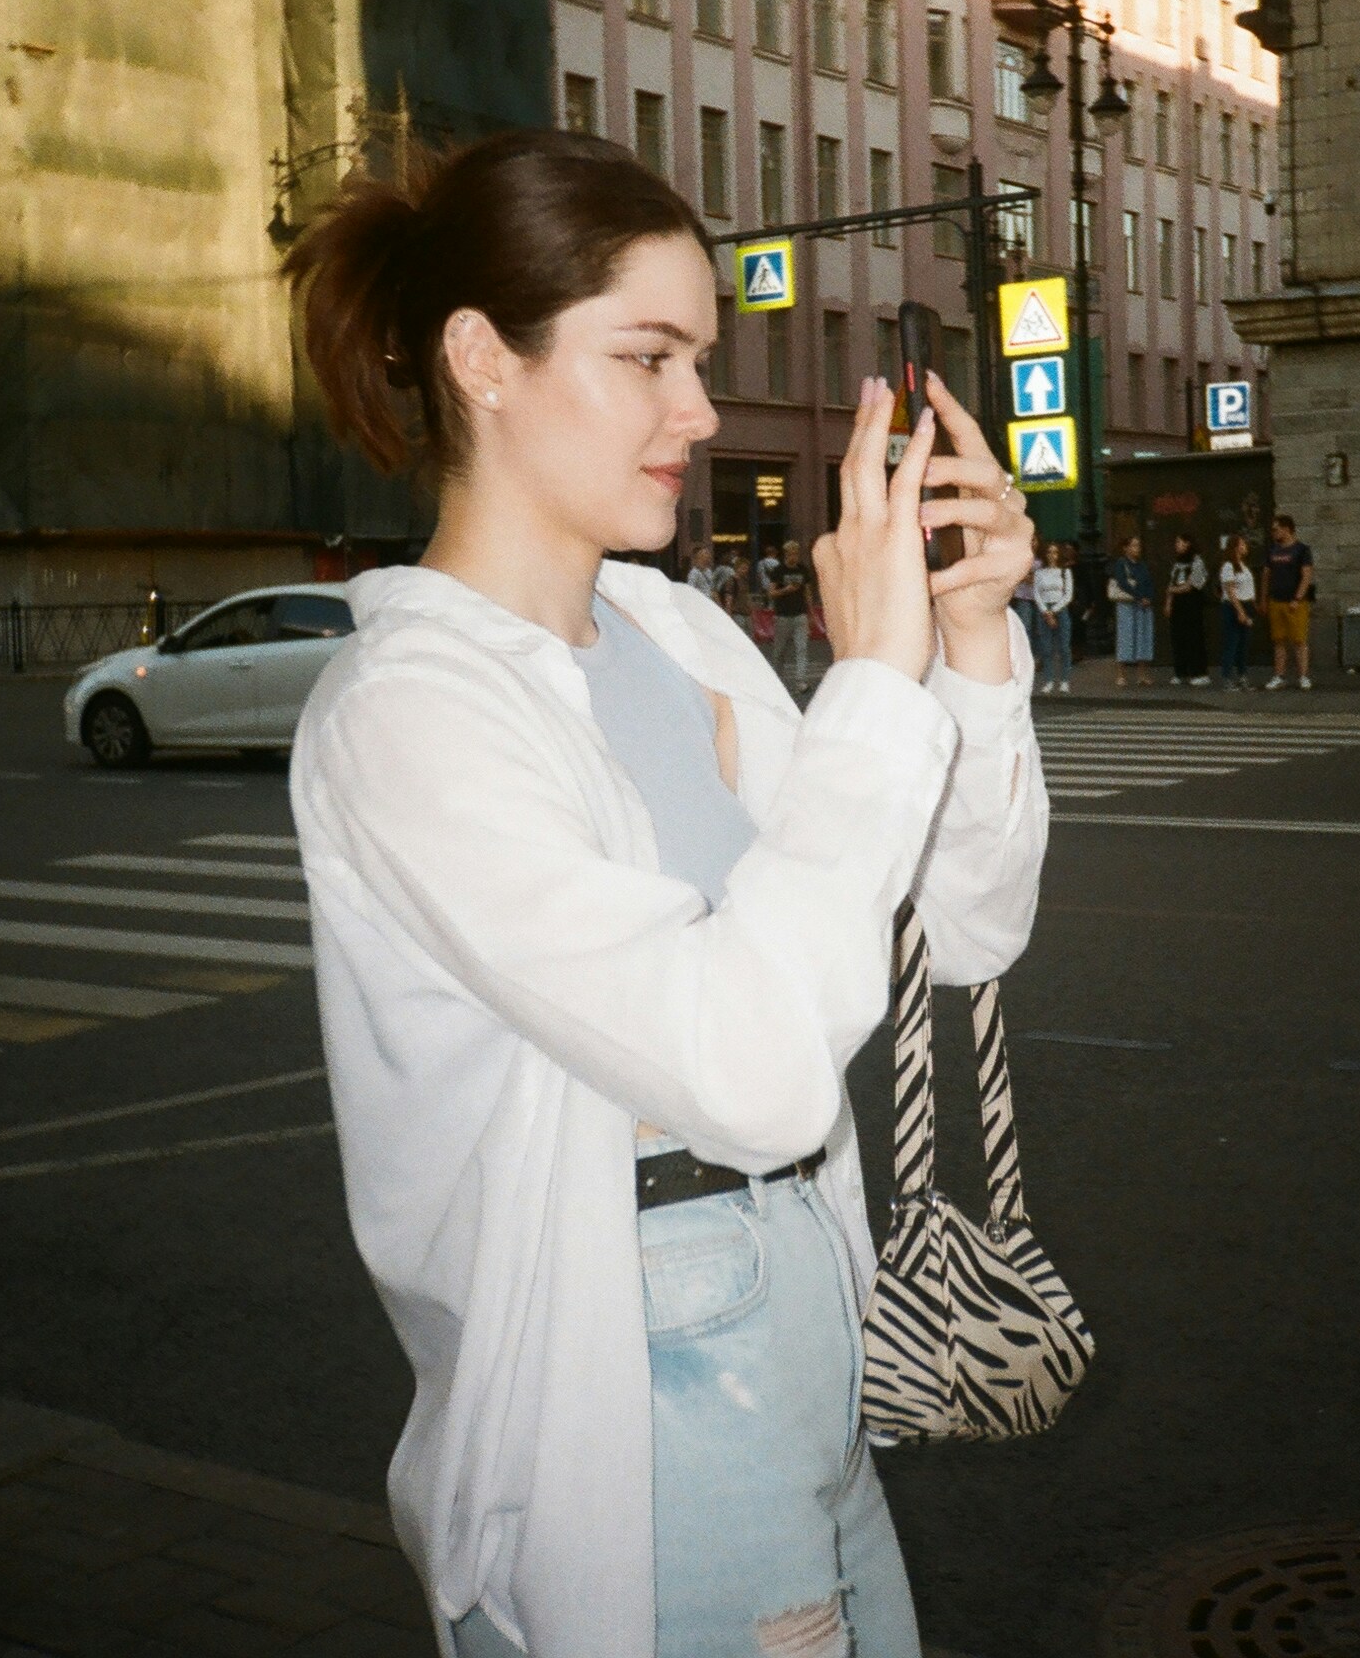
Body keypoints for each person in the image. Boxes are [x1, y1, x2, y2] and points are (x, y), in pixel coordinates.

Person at [280, 131, 1047, 1658]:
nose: (697, 410)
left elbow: (963, 924)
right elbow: (751, 1074)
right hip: (638, 1372)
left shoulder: (675, 635)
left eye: (697, 359)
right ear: (482, 360)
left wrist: (966, 646)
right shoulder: (411, 712)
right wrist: (870, 686)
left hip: (811, 1308)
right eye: (647, 358)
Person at [1261, 515, 1315, 689]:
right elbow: (1266, 575)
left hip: (1295, 602)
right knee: (1278, 640)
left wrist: (1297, 598)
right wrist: (1264, 599)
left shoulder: (1302, 550)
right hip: (1276, 600)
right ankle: (1279, 675)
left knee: (1299, 640)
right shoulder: (1272, 550)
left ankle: (1303, 676)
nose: (1273, 533)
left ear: (1286, 529)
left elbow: (1306, 576)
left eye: (1276, 529)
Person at [1106, 534, 1155, 688]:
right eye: (1134, 545)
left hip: (1143, 606)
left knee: (1142, 637)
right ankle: (1121, 675)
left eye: (1138, 545)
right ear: (1126, 548)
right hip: (1127, 605)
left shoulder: (1142, 565)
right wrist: (1139, 597)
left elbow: (1149, 582)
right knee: (1125, 637)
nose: (1137, 548)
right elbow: (1123, 583)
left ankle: (1142, 675)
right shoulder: (1121, 563)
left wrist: (1149, 597)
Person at [766, 534, 813, 693]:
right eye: (791, 554)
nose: (794, 557)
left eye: (796, 553)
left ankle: (801, 681)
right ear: (786, 554)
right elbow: (771, 593)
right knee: (779, 650)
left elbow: (807, 593)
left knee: (802, 648)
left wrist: (811, 614)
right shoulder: (778, 571)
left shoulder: (803, 570)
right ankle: (777, 680)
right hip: (783, 615)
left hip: (800, 614)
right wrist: (785, 590)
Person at [1165, 531, 1210, 687]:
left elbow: (1190, 585)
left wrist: (1173, 590)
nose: (1176, 545)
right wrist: (1168, 603)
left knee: (1194, 638)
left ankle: (1199, 672)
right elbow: (1171, 582)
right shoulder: (1177, 563)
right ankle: (1180, 672)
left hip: (1192, 604)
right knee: (1178, 638)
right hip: (1178, 605)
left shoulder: (1197, 561)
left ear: (1187, 543)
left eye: (1179, 542)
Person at [1030, 540, 1076, 693]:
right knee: (1046, 647)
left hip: (1060, 608)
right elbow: (1036, 593)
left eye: (1055, 552)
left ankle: (1064, 680)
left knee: (1064, 647)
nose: (1052, 555)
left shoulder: (1065, 572)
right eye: (1049, 552)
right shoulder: (1040, 572)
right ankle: (1049, 680)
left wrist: (1053, 611)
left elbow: (1068, 595)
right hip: (1044, 609)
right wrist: (1045, 611)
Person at [1214, 532, 1257, 689]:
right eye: (1242, 544)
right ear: (1235, 547)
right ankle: (1227, 677)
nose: (1245, 547)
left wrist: (1252, 606)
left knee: (1243, 644)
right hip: (1234, 606)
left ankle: (1242, 676)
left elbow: (1248, 588)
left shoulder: (1243, 566)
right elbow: (1230, 591)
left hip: (1246, 603)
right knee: (1232, 642)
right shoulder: (1228, 566)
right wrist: (1240, 611)